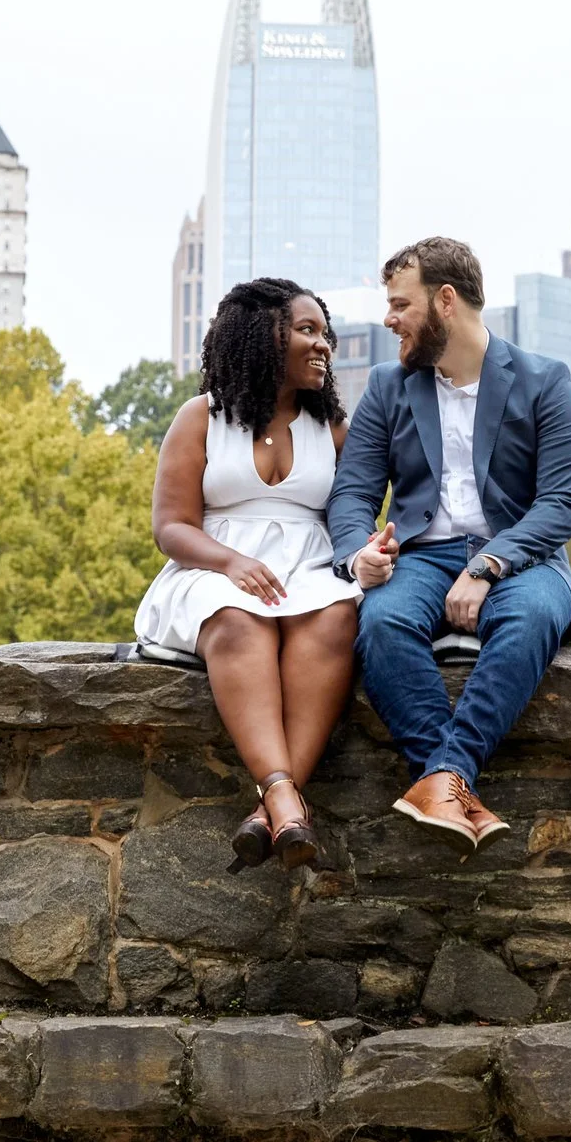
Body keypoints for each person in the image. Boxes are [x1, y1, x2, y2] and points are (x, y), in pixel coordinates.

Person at [328, 237, 571, 850]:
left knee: (529, 622)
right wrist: (356, 554)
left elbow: (562, 503)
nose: (388, 319)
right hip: (417, 556)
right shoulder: (388, 386)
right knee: (382, 623)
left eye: (400, 304)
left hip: (521, 556)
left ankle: (444, 779)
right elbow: (352, 495)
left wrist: (488, 564)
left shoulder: (545, 381)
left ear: (446, 301)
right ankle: (451, 783)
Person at [136, 278, 360, 871]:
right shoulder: (201, 418)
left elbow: (355, 518)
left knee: (338, 616)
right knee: (238, 621)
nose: (324, 346)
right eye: (307, 331)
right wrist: (230, 562)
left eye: (326, 334)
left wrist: (368, 555)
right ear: (265, 337)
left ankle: (277, 806)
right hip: (212, 570)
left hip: (308, 573)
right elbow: (171, 526)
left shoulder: (333, 428)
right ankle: (286, 799)